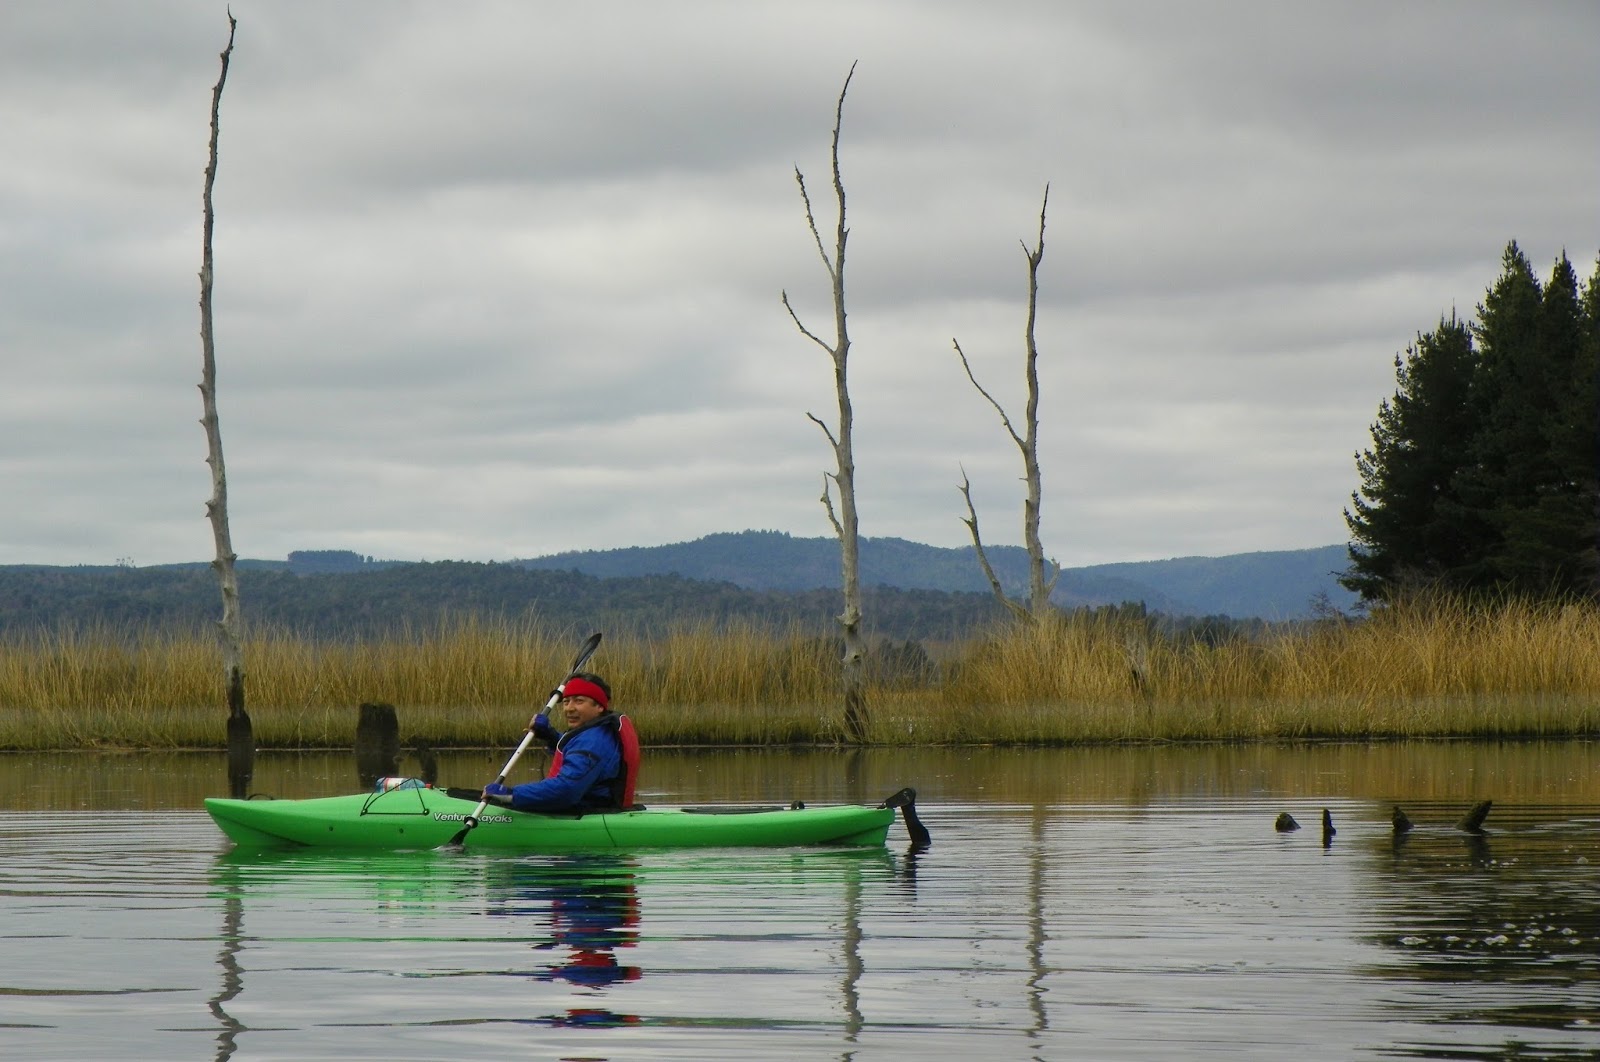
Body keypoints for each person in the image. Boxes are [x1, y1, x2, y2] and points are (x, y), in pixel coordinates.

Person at [482, 672, 627, 812]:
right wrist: (550, 735)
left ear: (599, 706)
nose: (569, 708)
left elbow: (566, 791)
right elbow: (576, 753)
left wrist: (512, 794)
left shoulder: (593, 741)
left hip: (586, 809)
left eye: (579, 701)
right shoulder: (597, 732)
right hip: (587, 804)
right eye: (566, 702)